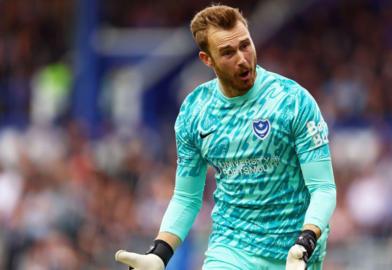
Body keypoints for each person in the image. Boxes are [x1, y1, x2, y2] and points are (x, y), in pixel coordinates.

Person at [115, 4, 336, 270]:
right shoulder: (195, 112)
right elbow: (187, 197)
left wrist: (305, 241)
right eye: (228, 52)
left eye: (245, 45)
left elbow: (323, 188)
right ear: (207, 59)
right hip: (230, 249)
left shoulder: (293, 101)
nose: (242, 58)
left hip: (294, 254)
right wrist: (159, 254)